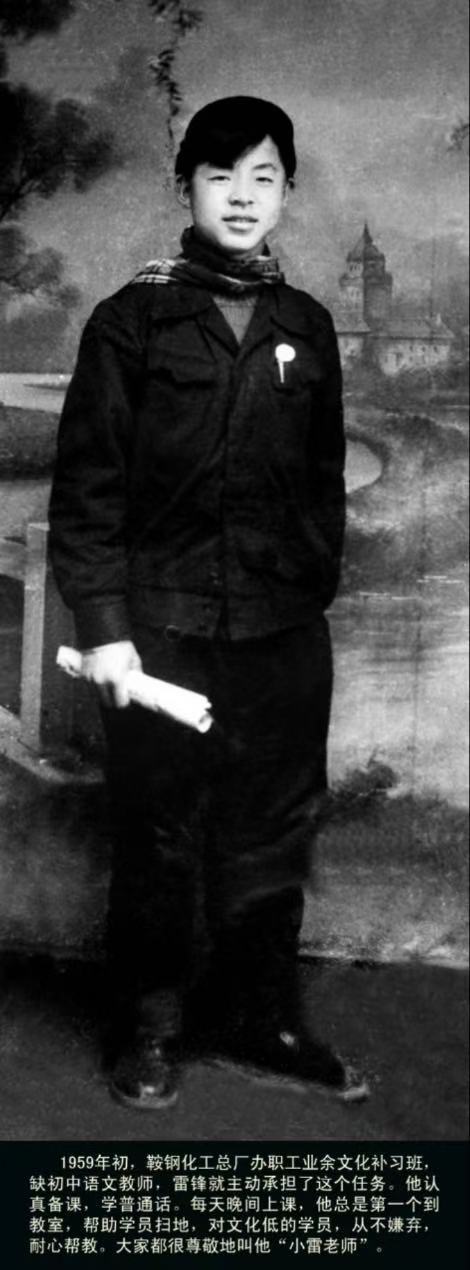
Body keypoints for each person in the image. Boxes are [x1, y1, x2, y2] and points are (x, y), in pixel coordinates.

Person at [49, 96, 368, 1108]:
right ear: (184, 185)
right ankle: (150, 1026)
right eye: (219, 174)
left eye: (263, 176)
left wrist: (305, 585)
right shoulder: (131, 321)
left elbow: (321, 480)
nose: (241, 195)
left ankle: (260, 1018)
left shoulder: (306, 324)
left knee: (275, 828)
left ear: (286, 192)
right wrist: (106, 631)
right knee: (160, 832)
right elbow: (88, 489)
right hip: (162, 633)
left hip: (281, 633)